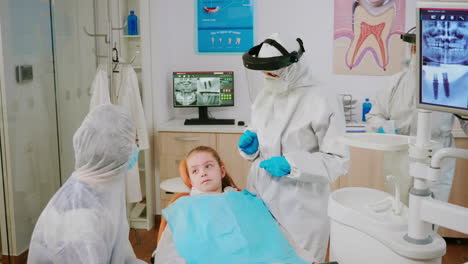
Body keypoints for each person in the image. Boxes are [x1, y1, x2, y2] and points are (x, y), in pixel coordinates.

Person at [239, 33, 349, 263]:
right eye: (264, 73)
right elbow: (260, 143)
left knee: (300, 258)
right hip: (261, 197)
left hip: (301, 207)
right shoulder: (264, 95)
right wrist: (251, 150)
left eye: (273, 72)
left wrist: (293, 164)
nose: (268, 77)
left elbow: (338, 160)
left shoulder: (321, 98)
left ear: (293, 65)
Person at [28, 104, 145, 264]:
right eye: (133, 143)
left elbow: (122, 255)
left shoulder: (101, 193)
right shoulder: (79, 220)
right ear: (114, 152)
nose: (135, 149)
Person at [153, 146, 310, 264]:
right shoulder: (183, 208)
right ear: (191, 180)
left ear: (222, 171)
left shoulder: (246, 200)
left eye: (208, 166)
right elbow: (167, 255)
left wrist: (305, 257)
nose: (203, 173)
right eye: (195, 171)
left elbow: (277, 236)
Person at [365, 31, 468, 203]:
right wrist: (386, 129)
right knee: (398, 211)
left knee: (431, 216)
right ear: (413, 49)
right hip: (399, 155)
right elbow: (374, 115)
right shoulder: (395, 83)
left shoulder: (453, 85)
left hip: (436, 159)